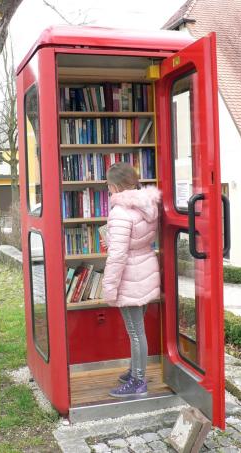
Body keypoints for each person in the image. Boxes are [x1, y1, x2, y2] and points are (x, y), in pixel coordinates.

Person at [99, 162, 161, 398]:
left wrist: (109, 288)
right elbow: (140, 240)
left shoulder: (120, 212)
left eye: (108, 185)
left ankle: (138, 380)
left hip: (130, 275)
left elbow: (117, 255)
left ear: (114, 187)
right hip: (145, 268)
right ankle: (135, 369)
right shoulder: (147, 205)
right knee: (139, 329)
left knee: (136, 332)